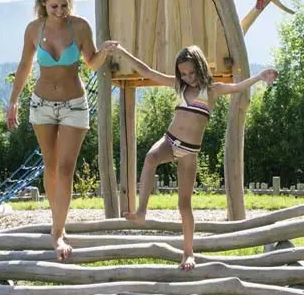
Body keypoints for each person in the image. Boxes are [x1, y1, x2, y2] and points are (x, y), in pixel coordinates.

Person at [114, 44, 278, 270]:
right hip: (169, 141)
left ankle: (188, 252)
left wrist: (260, 76)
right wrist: (123, 53)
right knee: (151, 157)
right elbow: (148, 72)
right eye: (183, 73)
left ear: (200, 68)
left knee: (184, 205)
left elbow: (239, 86)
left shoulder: (212, 90)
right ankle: (141, 211)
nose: (188, 77)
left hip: (189, 153)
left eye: (192, 73)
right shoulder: (179, 88)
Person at [6, 0, 118, 260]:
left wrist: (103, 51)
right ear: (43, 3)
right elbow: (24, 66)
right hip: (42, 104)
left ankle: (58, 232)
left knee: (66, 169)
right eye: (54, 6)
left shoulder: (79, 26)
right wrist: (13, 101)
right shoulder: (34, 29)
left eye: (64, 5)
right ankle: (57, 223)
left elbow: (91, 62)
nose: (60, 11)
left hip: (74, 106)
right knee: (51, 167)